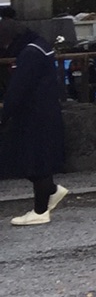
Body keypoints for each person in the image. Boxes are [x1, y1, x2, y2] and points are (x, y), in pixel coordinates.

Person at [1, 19, 67, 226]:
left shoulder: (29, 54)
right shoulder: (40, 46)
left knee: (35, 162)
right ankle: (52, 191)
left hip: (34, 114)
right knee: (37, 158)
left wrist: (3, 115)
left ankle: (40, 211)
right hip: (45, 111)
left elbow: (17, 90)